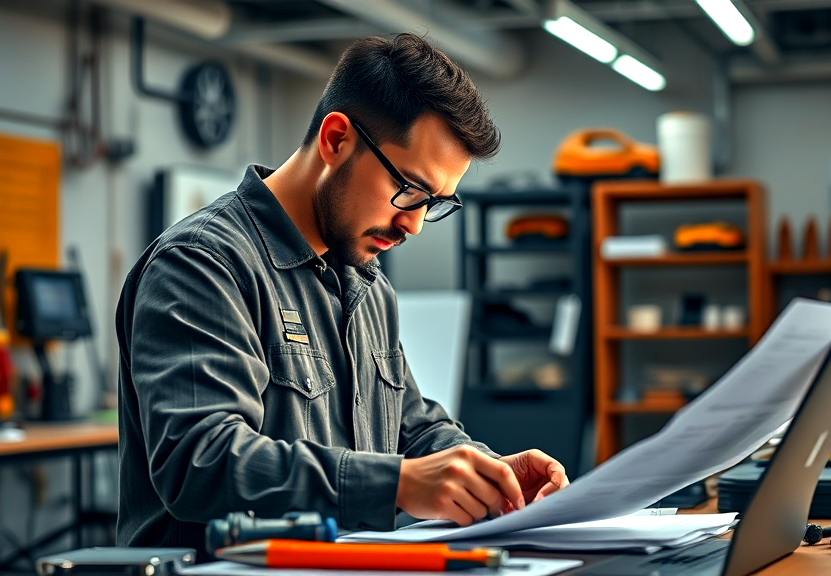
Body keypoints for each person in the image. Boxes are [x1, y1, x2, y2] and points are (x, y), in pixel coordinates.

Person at [115, 33, 569, 553]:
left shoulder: (367, 284)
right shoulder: (203, 264)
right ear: (336, 140)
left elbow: (411, 428)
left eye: (435, 203)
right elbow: (202, 464)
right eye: (409, 191)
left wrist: (486, 473)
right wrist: (397, 483)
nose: (415, 225)